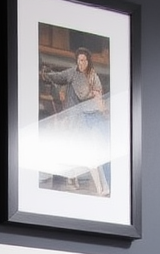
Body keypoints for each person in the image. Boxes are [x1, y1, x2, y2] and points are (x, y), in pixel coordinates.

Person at [39, 47, 110, 196]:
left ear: (88, 61)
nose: (81, 62)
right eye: (79, 60)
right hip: (74, 119)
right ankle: (78, 181)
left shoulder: (93, 76)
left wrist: (101, 108)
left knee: (90, 154)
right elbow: (58, 77)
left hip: (87, 119)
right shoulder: (72, 73)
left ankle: (98, 187)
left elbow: (96, 96)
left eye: (83, 60)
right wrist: (45, 75)